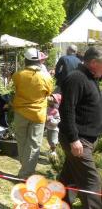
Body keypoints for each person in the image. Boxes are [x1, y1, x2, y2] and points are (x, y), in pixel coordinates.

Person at [58, 47, 102, 208]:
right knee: (92, 181)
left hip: (85, 139)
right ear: (93, 63)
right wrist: (74, 139)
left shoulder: (91, 77)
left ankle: (57, 204)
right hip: (79, 141)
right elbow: (66, 109)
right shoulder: (76, 78)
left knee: (68, 179)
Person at [12, 48, 53, 178]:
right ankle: (26, 173)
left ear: (25, 60)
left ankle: (25, 170)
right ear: (39, 61)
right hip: (38, 114)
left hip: (20, 112)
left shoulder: (18, 75)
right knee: (34, 143)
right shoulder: (46, 77)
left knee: (22, 141)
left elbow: (16, 89)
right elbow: (49, 92)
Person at [45, 93, 61, 159]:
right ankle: (52, 149)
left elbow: (57, 120)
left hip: (54, 128)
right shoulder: (47, 108)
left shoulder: (56, 111)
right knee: (49, 139)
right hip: (48, 127)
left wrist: (50, 119)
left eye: (51, 101)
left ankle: (54, 152)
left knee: (53, 140)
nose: (49, 102)